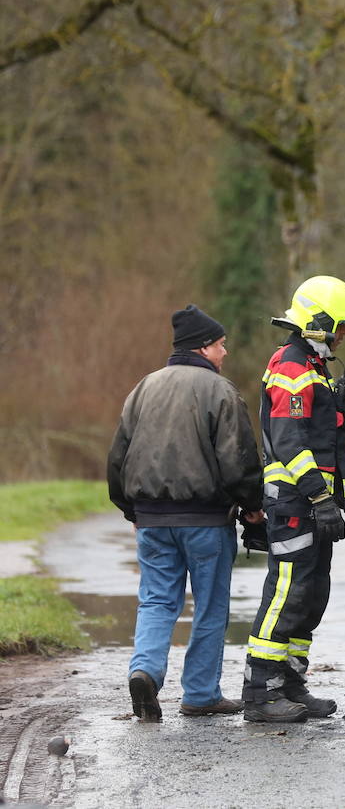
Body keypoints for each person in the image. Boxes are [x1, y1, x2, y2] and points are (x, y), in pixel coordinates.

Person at [108, 304, 264, 721]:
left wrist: (131, 509)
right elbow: (238, 459)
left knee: (157, 601)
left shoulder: (143, 388)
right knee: (211, 606)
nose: (225, 353)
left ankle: (144, 671)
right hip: (206, 521)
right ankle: (200, 694)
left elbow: (118, 457)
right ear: (203, 348)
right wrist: (253, 506)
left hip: (152, 521)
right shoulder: (221, 391)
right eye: (220, 345)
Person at [242, 275, 345, 723]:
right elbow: (290, 442)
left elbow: (324, 422)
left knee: (311, 595)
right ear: (319, 321)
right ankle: (261, 692)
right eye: (342, 326)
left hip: (311, 505)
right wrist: (319, 497)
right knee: (287, 592)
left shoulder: (313, 367)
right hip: (297, 503)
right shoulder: (292, 365)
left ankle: (291, 682)